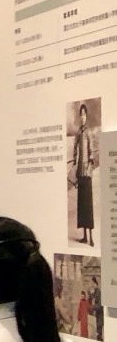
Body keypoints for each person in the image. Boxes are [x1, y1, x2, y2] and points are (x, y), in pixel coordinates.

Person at [73, 103, 95, 246]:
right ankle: (84, 236)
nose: (82, 117)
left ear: (86, 117)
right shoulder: (77, 133)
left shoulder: (88, 133)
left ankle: (91, 237)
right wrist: (75, 165)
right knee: (81, 205)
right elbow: (75, 151)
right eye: (80, 115)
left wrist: (88, 168)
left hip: (87, 173)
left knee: (88, 205)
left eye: (84, 115)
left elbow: (91, 151)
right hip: (79, 173)